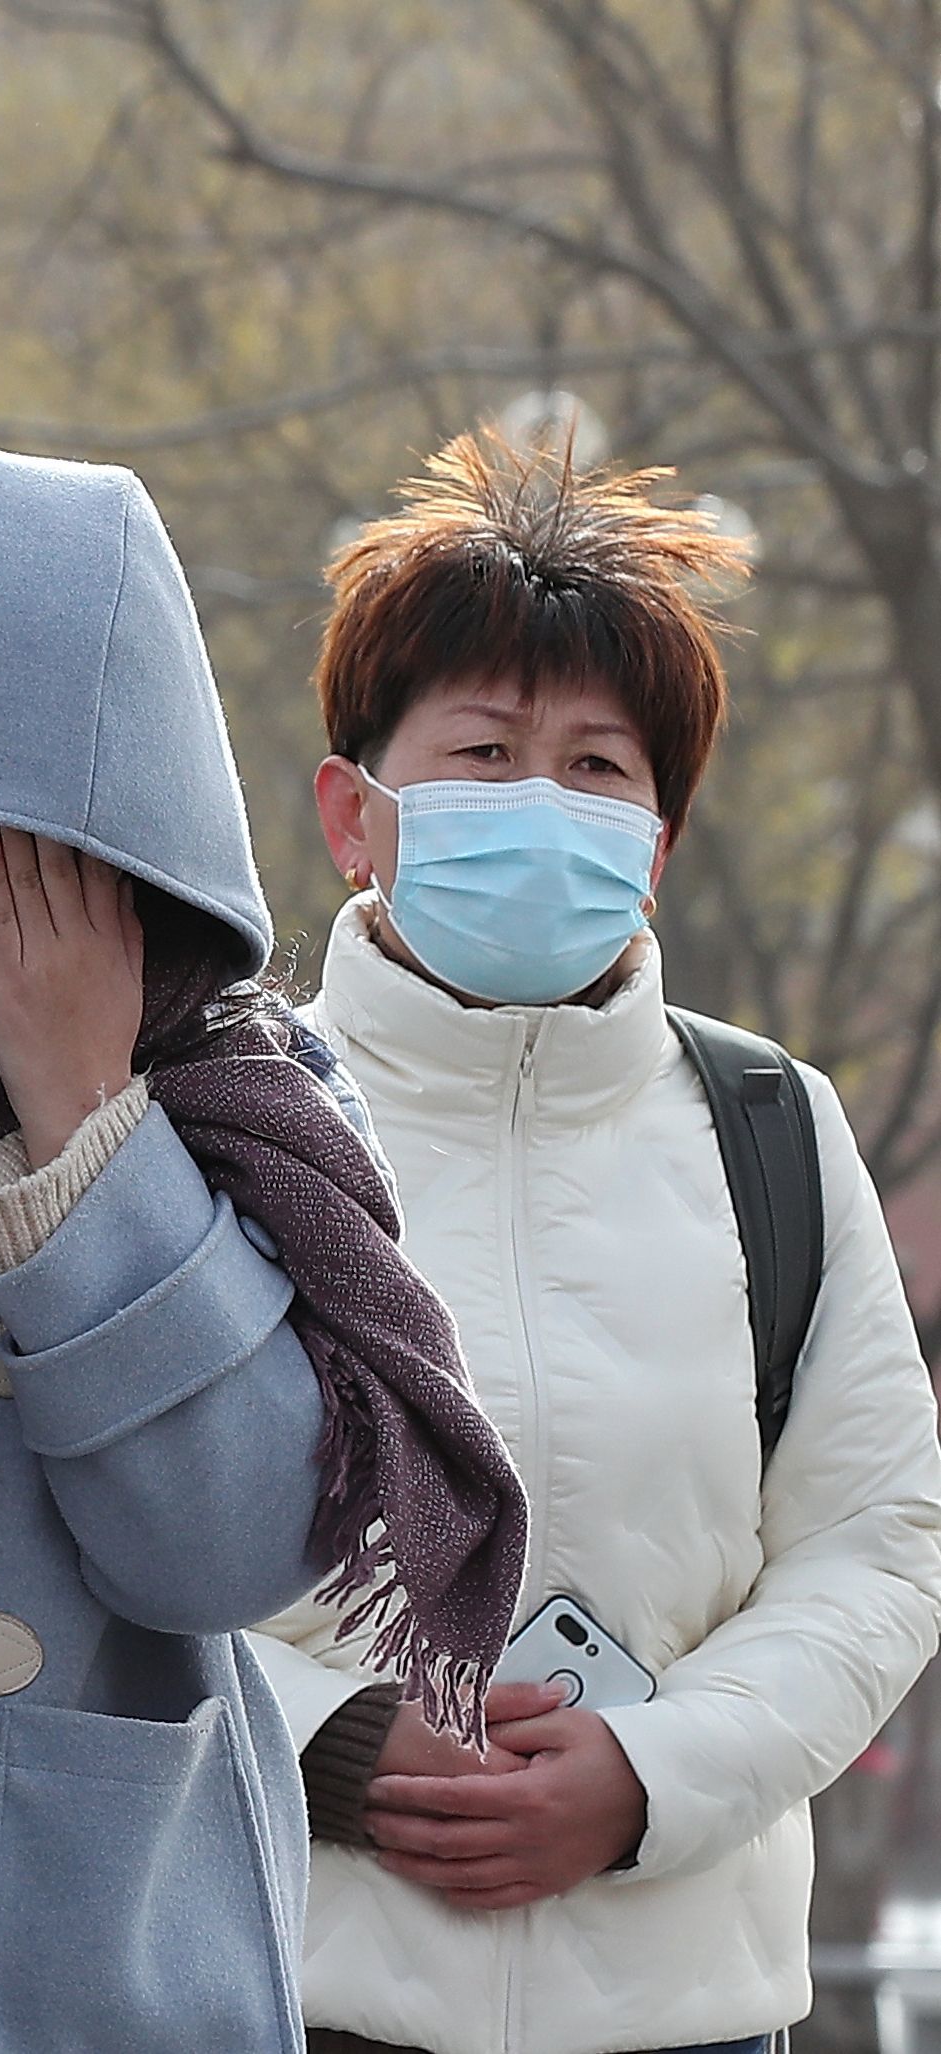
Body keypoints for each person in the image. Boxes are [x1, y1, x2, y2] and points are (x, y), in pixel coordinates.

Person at [0, 441, 527, 2052]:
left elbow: (226, 1547)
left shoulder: (255, 1109)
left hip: (107, 1968)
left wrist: (83, 1125)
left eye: (45, 852)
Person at [247, 430, 941, 2054]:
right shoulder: (223, 1114)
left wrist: (650, 1774)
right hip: (285, 1989)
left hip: (685, 2010)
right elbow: (92, 1524)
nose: (536, 800)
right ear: (354, 811)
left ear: (656, 841)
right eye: (481, 750)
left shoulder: (769, 1128)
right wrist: (334, 1742)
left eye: (596, 764)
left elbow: (876, 1541)